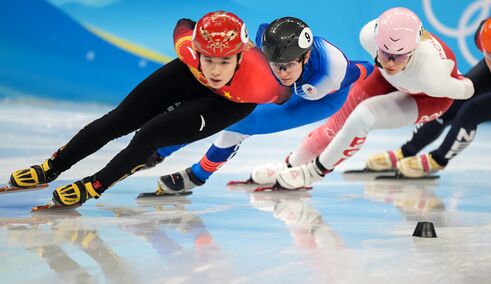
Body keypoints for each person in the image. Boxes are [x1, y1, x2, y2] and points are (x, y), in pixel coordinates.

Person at [8, 11, 290, 206]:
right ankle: (51, 168)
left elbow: (286, 94)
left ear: (241, 57)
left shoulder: (263, 84)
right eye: (209, 59)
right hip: (189, 76)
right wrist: (199, 63)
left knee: (150, 135)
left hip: (227, 103)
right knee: (116, 121)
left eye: (225, 61)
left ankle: (93, 186)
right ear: (196, 51)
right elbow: (184, 24)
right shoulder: (187, 50)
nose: (215, 70)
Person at [151, 17, 373, 194]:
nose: (281, 72)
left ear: (305, 57)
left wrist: (379, 64)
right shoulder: (266, 40)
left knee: (241, 123)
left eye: (287, 66)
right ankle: (161, 149)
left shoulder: (333, 72)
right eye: (275, 65)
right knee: (220, 108)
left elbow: (364, 68)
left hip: (319, 100)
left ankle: (197, 175)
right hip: (291, 86)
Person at [270, 7, 475, 190]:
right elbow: (386, 63)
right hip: (387, 79)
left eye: (400, 56)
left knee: (363, 117)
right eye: (385, 53)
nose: (391, 62)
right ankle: (290, 164)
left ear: (414, 51)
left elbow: (469, 90)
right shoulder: (368, 34)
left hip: (431, 97)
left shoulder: (433, 75)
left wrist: (454, 81)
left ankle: (313, 172)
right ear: (377, 42)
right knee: (334, 125)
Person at [362, 12, 491, 178]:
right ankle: (406, 152)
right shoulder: (484, 33)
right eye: (489, 55)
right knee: (452, 99)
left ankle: (437, 160)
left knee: (474, 110)